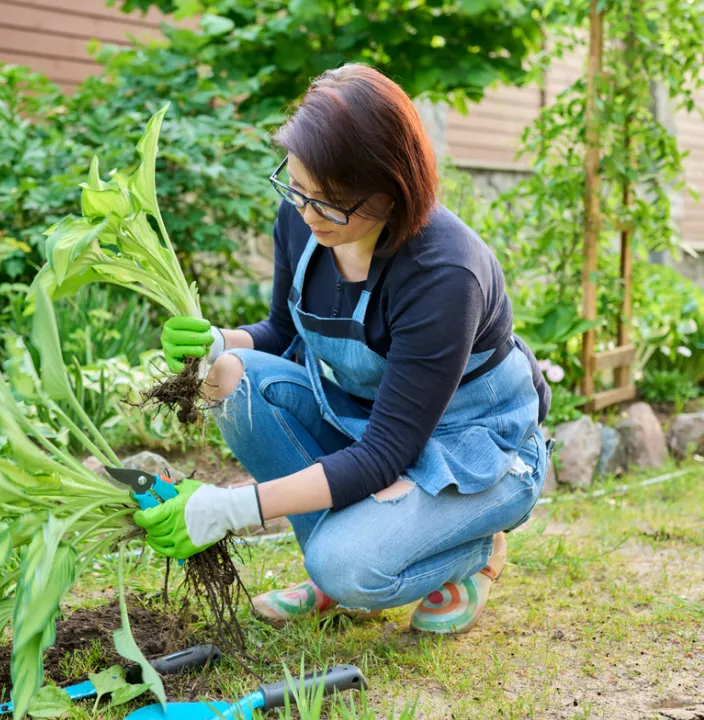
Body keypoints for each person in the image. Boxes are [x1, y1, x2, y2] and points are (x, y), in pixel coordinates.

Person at [134, 63, 553, 635]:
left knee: (350, 567)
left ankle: (473, 550)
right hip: (376, 428)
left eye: (332, 202)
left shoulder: (444, 274)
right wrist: (217, 340)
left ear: (393, 189)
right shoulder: (303, 218)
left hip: (476, 452)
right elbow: (281, 331)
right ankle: (330, 564)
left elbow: (384, 455)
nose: (309, 213)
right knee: (230, 377)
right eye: (299, 189)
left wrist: (230, 508)